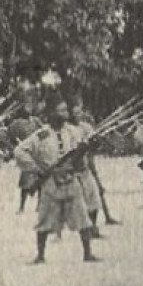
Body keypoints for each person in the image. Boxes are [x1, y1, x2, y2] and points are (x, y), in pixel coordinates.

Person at [13, 100, 98, 264]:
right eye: (61, 110)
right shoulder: (42, 134)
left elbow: (80, 157)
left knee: (82, 216)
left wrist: (84, 151)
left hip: (71, 180)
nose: (65, 114)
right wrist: (37, 168)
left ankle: (88, 253)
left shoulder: (73, 132)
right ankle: (40, 255)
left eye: (66, 110)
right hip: (50, 182)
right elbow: (19, 151)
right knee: (44, 219)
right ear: (51, 113)